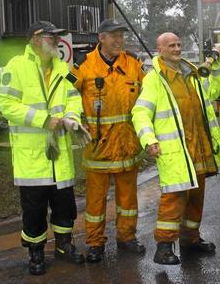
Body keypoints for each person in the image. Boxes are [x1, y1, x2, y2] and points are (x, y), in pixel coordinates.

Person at [132, 32, 220, 265]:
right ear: (160, 50)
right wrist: (149, 139)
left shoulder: (191, 73)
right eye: (171, 45)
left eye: (178, 44)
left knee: (197, 197)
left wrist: (218, 63)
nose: (176, 48)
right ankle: (163, 247)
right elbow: (140, 112)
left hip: (199, 147)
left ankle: (191, 240)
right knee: (174, 199)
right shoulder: (155, 79)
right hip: (176, 151)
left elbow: (212, 91)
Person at [0, 20, 86, 275]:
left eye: (57, 37)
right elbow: (7, 104)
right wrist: (44, 120)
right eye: (51, 36)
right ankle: (35, 253)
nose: (57, 41)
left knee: (65, 206)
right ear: (36, 39)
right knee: (34, 210)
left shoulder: (64, 69)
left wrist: (73, 119)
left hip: (60, 155)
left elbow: (73, 98)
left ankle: (63, 246)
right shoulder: (16, 67)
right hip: (32, 156)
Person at [66, 18, 146, 263]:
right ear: (100, 38)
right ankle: (95, 243)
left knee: (128, 199)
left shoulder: (134, 64)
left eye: (121, 35)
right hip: (98, 146)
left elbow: (148, 96)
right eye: (113, 36)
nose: (119, 40)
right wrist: (74, 119)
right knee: (96, 201)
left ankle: (127, 237)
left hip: (127, 145)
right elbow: (67, 94)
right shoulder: (82, 66)